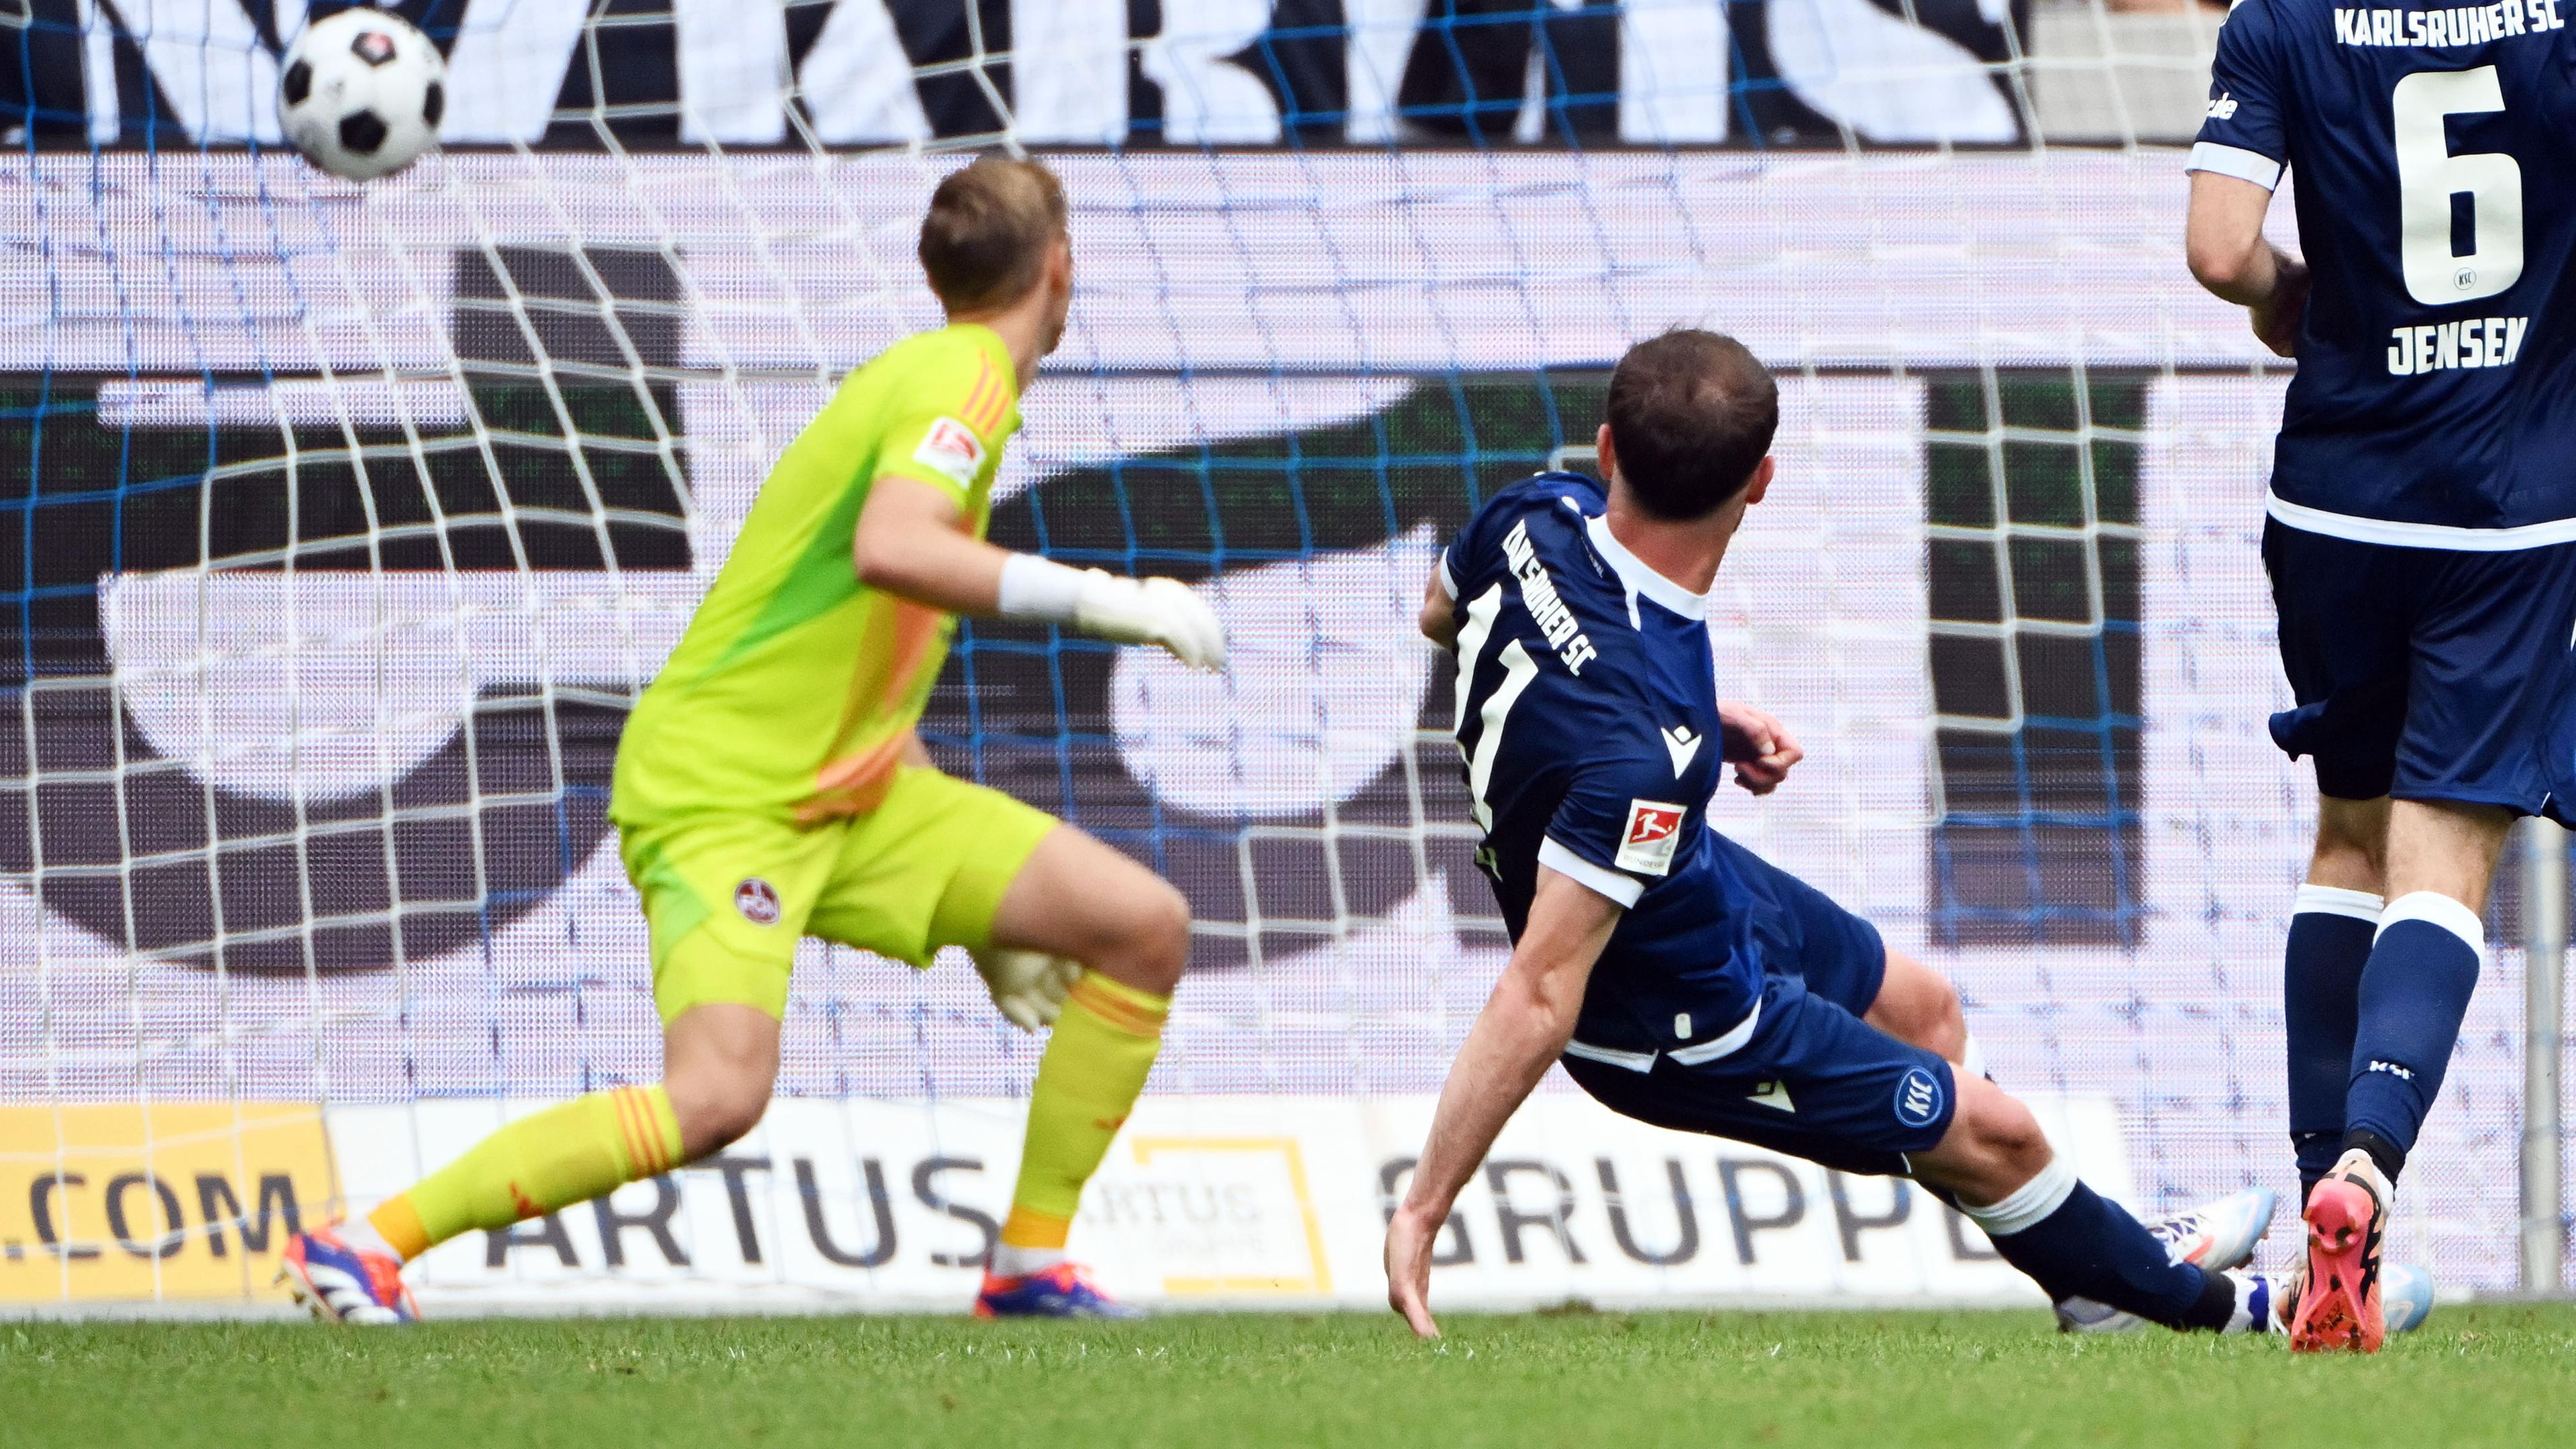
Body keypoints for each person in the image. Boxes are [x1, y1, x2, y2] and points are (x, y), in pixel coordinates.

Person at [282, 156, 1226, 1323]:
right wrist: (1110, 601)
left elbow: (869, 658)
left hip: (862, 789)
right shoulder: (965, 377)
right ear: (1061, 265)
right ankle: (363, 1244)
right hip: (725, 792)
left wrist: (994, 931)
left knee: (1141, 928)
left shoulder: (931, 375)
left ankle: (1031, 1265)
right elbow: (898, 544)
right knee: (718, 1096)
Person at [1385, 330, 2298, 1341]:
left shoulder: (1532, 511)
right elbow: (1542, 989)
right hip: (1671, 1024)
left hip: (1691, 883)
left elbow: (1446, 616)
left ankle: (2092, 1276)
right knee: (1997, 1131)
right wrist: (1425, 1209)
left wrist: (1690, 718)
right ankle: (2239, 1315)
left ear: (1604, 451)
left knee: (1927, 1009)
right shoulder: (1648, 752)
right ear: (1762, 482)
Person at [2184, 0, 2575, 1351]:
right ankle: (2367, 1172)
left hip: (2338, 504)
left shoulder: (2281, 23)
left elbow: (2217, 249)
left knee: (2347, 842)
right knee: (2447, 855)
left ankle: (2318, 1226)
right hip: (2513, 509)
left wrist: (2285, 295)